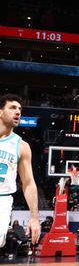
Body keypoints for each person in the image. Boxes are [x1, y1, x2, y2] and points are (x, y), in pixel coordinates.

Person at [0, 94, 41, 252]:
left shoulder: (21, 146)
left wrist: (35, 217)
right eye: (12, 108)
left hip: (2, 200)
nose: (18, 112)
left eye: (19, 109)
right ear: (0, 112)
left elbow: (28, 183)